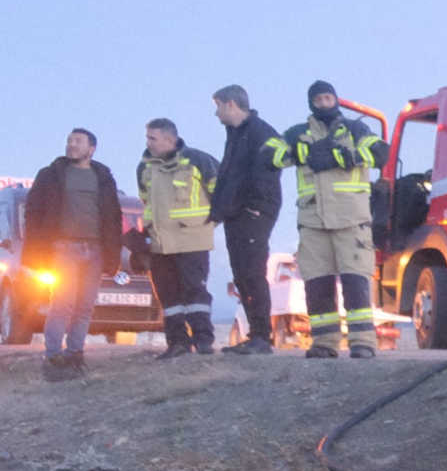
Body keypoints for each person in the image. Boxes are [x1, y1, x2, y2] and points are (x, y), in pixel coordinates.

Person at [279, 80, 384, 359]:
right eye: (319, 100)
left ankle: (363, 343)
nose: (324, 103)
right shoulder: (297, 134)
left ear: (336, 99)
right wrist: (300, 152)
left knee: (355, 282)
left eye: (328, 98)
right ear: (311, 103)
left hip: (351, 220)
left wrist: (343, 157)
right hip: (313, 221)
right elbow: (270, 155)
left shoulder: (355, 129)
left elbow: (380, 153)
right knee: (317, 284)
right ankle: (324, 343)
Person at [21, 128, 125, 382]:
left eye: (78, 141)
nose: (72, 145)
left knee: (85, 306)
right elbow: (33, 211)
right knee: (62, 303)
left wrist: (113, 253)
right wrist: (37, 248)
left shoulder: (103, 177)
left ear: (92, 148)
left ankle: (75, 354)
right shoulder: (51, 174)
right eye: (69, 141)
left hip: (96, 249)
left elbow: (113, 216)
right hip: (63, 248)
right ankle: (53, 356)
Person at [209, 84, 288, 354]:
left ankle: (262, 337)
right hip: (235, 214)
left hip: (253, 213)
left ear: (231, 104)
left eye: (218, 107)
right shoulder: (235, 134)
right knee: (241, 275)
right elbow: (229, 176)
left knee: (253, 273)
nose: (216, 114)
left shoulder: (261, 133)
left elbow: (266, 175)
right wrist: (218, 211)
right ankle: (254, 334)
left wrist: (255, 207)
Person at [137, 118, 222, 358]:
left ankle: (203, 341)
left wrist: (207, 224)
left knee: (195, 292)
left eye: (152, 138)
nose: (148, 143)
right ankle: (177, 343)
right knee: (168, 295)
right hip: (160, 244)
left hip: (192, 241)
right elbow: (146, 202)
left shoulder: (198, 161)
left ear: (169, 139)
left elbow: (221, 194)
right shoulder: (144, 168)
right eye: (147, 137)